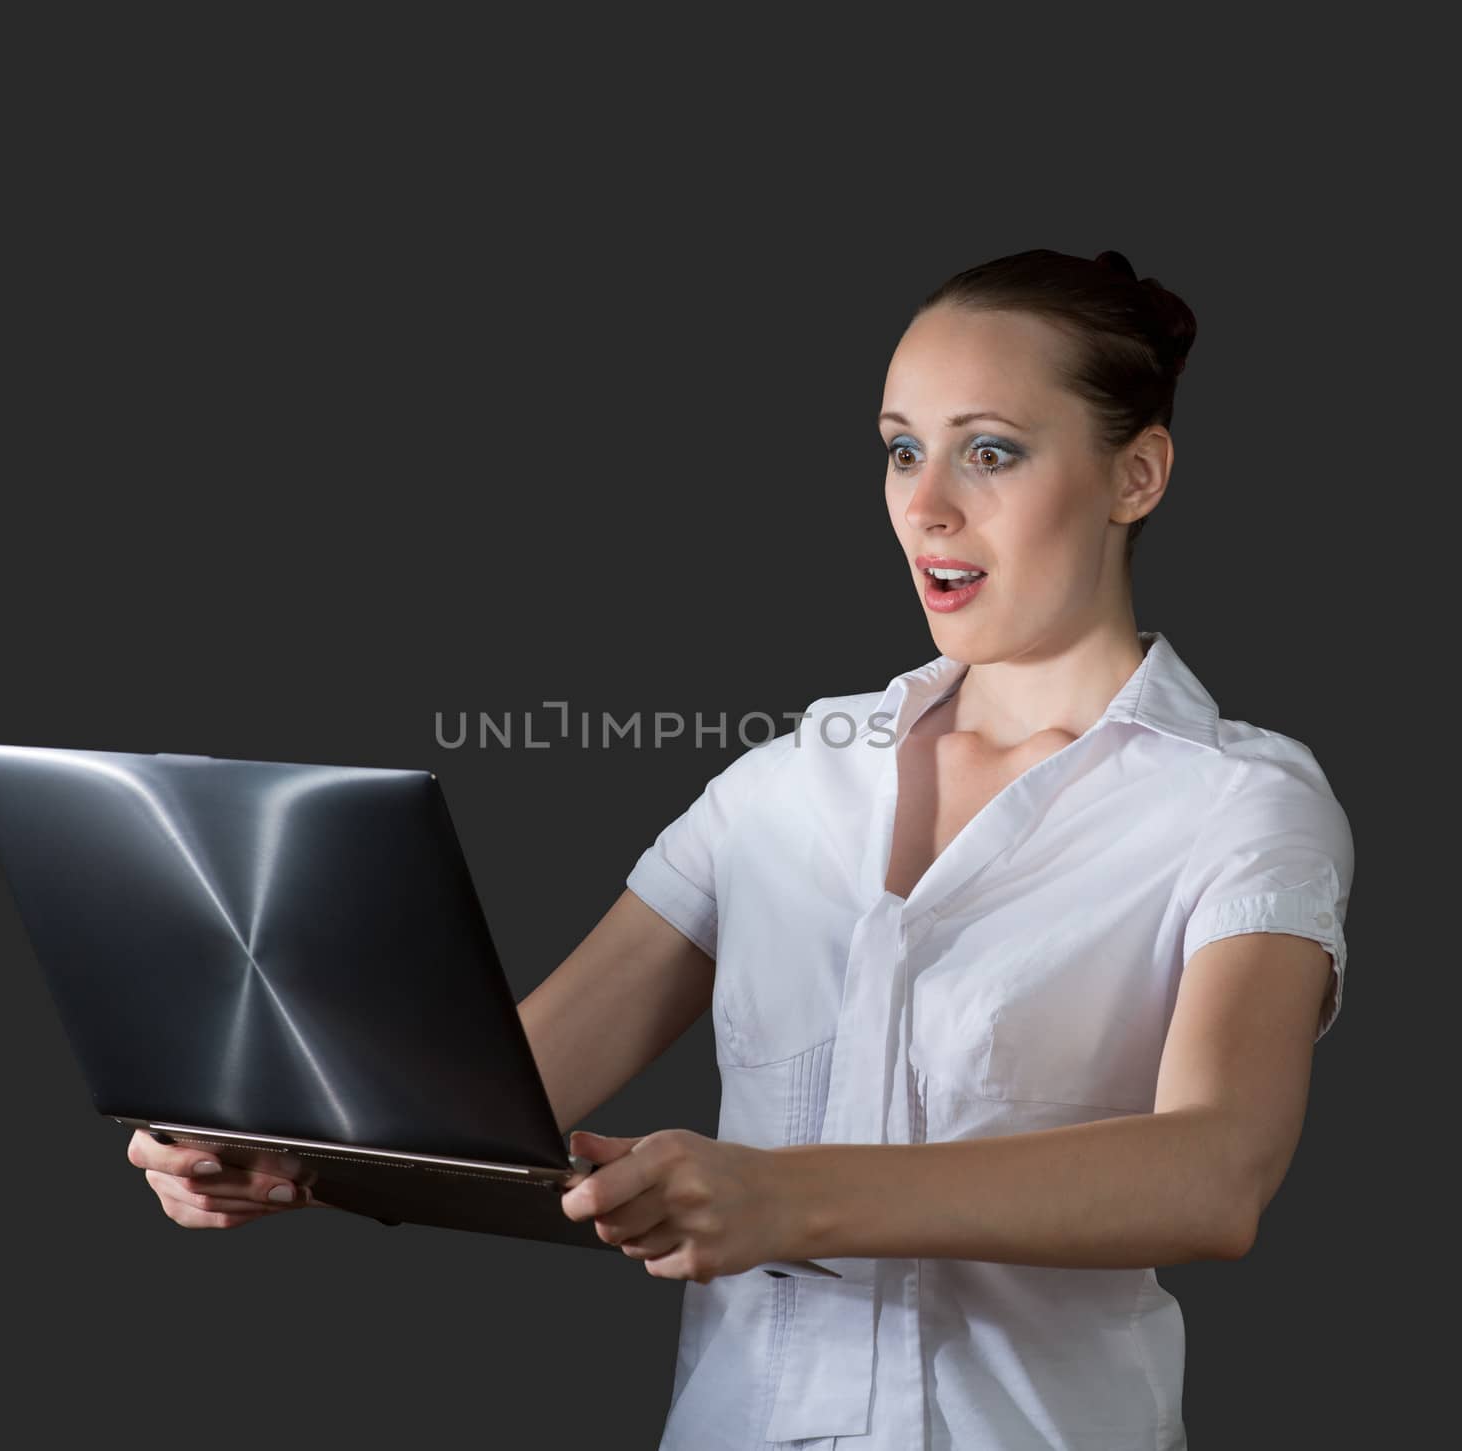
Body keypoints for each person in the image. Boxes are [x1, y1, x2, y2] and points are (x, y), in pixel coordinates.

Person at [127, 248, 1355, 1451]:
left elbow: (1213, 1169)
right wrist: (275, 1145)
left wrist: (787, 1194)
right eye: (900, 446)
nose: (926, 503)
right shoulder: (781, 786)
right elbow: (493, 1101)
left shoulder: (1238, 803)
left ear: (1133, 475)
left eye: (991, 450)